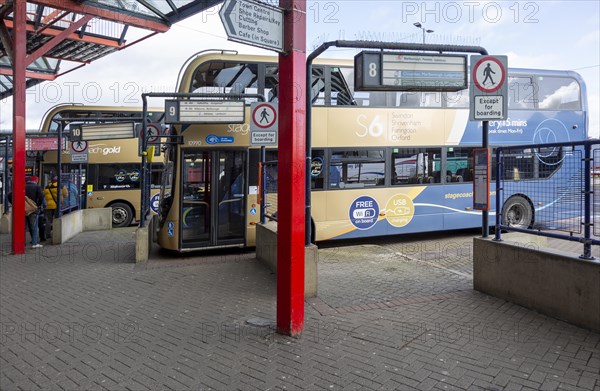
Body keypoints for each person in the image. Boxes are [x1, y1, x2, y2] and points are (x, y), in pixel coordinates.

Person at [8, 176, 44, 248]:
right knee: (34, 227)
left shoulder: (22, 186)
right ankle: (34, 243)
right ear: (36, 181)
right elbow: (41, 197)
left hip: (21, 209)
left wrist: (13, 204)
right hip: (32, 210)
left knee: (22, 227)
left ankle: (22, 243)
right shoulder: (37, 187)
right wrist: (38, 205)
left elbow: (9, 195)